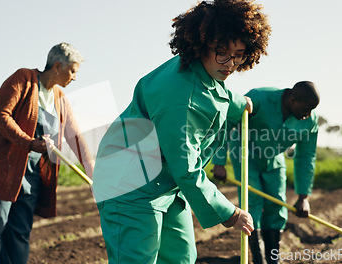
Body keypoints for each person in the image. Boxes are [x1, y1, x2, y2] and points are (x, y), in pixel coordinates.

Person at [91, 0, 271, 263]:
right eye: (222, 52)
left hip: (164, 183)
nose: (230, 63)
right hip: (129, 184)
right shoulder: (181, 98)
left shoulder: (203, 70)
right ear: (201, 44)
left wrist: (241, 102)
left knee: (181, 257)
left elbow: (216, 94)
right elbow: (186, 168)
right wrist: (231, 214)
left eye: (239, 54)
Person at [0, 43, 95, 264]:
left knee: (18, 239)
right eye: (72, 71)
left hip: (31, 178)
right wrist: (30, 143)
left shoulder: (59, 98)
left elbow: (76, 137)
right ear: (57, 66)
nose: (74, 77)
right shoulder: (23, 79)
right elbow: (1, 116)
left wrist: (93, 176)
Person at [212, 81, 320, 264]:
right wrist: (219, 162)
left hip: (274, 157)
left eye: (312, 109)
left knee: (277, 204)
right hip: (246, 154)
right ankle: (259, 259)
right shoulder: (259, 98)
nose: (308, 114)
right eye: (306, 108)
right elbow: (226, 123)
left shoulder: (309, 121)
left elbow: (306, 156)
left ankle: (273, 260)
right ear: (292, 99)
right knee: (253, 202)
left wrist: (304, 197)